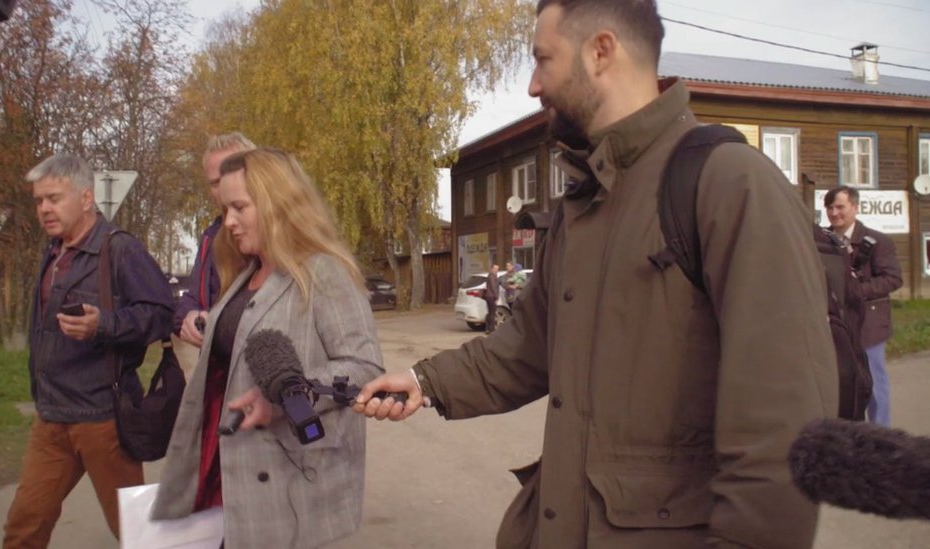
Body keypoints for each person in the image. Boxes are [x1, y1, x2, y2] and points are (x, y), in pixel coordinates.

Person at [355, 1, 838, 548]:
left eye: (543, 60)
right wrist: (426, 383)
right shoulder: (581, 204)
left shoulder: (731, 184)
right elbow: (526, 346)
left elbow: (781, 430)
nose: (534, 86)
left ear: (601, 52)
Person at [151, 149, 384, 547]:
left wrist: (284, 398)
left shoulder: (324, 272)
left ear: (277, 201)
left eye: (240, 207)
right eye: (226, 209)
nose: (229, 222)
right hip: (222, 471)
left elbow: (365, 369)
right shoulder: (247, 274)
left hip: (286, 488)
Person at [4, 154, 174, 548]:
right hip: (51, 420)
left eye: (54, 198)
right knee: (23, 526)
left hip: (103, 420)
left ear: (85, 198)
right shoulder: (53, 252)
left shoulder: (120, 250)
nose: (44, 208)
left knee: (136, 535)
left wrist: (105, 325)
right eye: (38, 200)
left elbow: (160, 314)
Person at [825, 185, 902, 426]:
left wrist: (855, 290)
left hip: (869, 325)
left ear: (855, 208)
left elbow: (893, 278)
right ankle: (848, 438)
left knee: (874, 386)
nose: (834, 212)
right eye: (829, 207)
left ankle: (882, 438)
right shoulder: (822, 240)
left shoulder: (878, 241)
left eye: (840, 207)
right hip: (835, 325)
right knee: (840, 383)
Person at [174, 132, 256, 350]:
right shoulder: (211, 236)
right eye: (215, 182)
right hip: (218, 374)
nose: (224, 189)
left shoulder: (278, 238)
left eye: (229, 176)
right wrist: (190, 317)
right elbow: (193, 296)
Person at [484, 263, 500, 333]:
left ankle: (488, 328)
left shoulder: (491, 276)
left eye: (497, 269)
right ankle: (491, 329)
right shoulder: (492, 276)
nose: (496, 270)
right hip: (491, 296)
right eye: (495, 268)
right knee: (492, 313)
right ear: (491, 269)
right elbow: (493, 287)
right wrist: (496, 297)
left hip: (489, 296)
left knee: (490, 312)